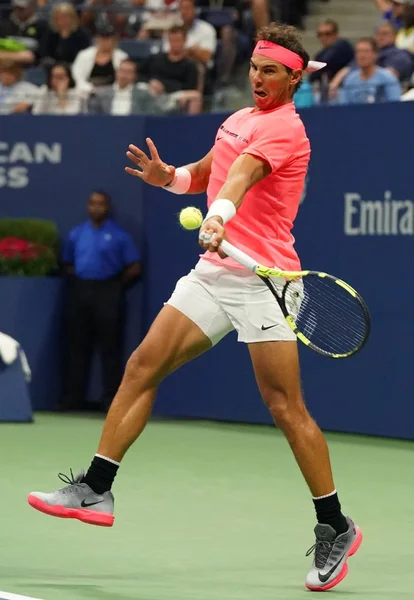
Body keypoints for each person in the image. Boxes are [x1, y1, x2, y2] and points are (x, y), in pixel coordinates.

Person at [27, 23, 362, 593]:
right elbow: (210, 170)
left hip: (267, 282)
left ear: (295, 78)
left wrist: (220, 216)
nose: (257, 78)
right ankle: (98, 486)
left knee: (285, 407)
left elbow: (241, 176)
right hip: (215, 273)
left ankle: (335, 525)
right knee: (141, 367)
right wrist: (172, 178)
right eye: (254, 67)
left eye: (270, 71)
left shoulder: (286, 129)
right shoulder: (241, 118)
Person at [58, 191, 141, 412]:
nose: (96, 208)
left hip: (109, 291)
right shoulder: (77, 233)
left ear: (107, 207)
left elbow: (134, 266)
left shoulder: (119, 235)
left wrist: (115, 285)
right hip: (81, 290)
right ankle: (73, 399)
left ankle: (110, 401)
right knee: (77, 346)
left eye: (100, 204)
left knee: (110, 348)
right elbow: (67, 262)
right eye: (92, 204)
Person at [139, 26, 202, 113]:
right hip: (153, 92)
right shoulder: (156, 58)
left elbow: (190, 87)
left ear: (184, 40)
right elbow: (139, 74)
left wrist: (165, 86)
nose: (175, 44)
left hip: (175, 96)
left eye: (178, 41)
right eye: (172, 41)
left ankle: (192, 124)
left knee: (196, 96)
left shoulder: (189, 65)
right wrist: (151, 82)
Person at [88, 58, 162, 115]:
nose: (124, 75)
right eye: (122, 71)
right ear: (116, 72)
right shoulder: (102, 93)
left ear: (134, 76)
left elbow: (154, 113)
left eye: (128, 72)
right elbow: (94, 116)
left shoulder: (143, 95)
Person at [339, 37, 401, 104]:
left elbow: (395, 106)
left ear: (375, 54)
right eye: (358, 52)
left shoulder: (388, 78)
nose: (362, 55)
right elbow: (344, 106)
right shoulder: (349, 80)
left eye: (366, 51)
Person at [72, 24, 128, 90]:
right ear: (97, 38)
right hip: (86, 91)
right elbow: (77, 77)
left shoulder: (122, 56)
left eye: (108, 38)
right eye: (102, 37)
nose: (104, 41)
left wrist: (109, 91)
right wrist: (89, 88)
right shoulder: (84, 55)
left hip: (113, 92)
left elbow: (125, 78)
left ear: (114, 39)